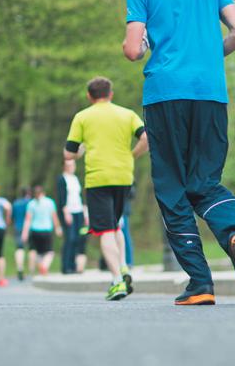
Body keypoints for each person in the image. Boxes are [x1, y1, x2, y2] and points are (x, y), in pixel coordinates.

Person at [123, 0, 235, 306]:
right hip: (210, 94)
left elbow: (134, 50)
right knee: (205, 181)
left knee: (171, 188)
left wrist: (135, 45)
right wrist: (209, 57)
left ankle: (200, 282)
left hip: (165, 94)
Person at [64, 77, 147, 301]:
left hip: (98, 179)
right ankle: (123, 267)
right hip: (123, 176)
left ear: (89, 96)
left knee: (104, 231)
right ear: (111, 94)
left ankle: (117, 282)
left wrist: (81, 150)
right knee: (115, 225)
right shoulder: (127, 114)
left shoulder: (82, 117)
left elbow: (69, 154)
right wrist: (131, 156)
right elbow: (146, 138)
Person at [56, 157, 88, 274]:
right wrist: (65, 212)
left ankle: (73, 265)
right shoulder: (62, 179)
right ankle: (66, 266)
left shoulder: (75, 179)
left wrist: (85, 212)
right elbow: (61, 198)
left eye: (73, 165)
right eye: (69, 165)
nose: (72, 167)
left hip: (78, 211)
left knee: (77, 239)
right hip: (68, 211)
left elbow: (79, 196)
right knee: (70, 238)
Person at [21, 185, 61, 275]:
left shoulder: (31, 203)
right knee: (49, 252)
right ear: (43, 192)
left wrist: (25, 233)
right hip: (46, 230)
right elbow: (54, 217)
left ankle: (40, 266)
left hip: (35, 230)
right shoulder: (50, 202)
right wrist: (58, 228)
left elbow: (28, 220)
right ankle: (44, 266)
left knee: (38, 252)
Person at [11, 186, 32, 280]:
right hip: (30, 228)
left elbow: (12, 217)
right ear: (28, 193)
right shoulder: (31, 203)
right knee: (32, 249)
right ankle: (32, 270)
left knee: (19, 248)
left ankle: (20, 268)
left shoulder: (15, 203)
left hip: (18, 227)